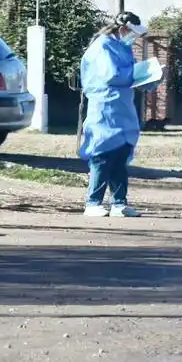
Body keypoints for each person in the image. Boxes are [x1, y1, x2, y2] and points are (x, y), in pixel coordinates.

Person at [79, 11, 153, 217]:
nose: (135, 38)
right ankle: (93, 203)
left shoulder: (123, 47)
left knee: (120, 155)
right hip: (104, 109)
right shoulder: (102, 46)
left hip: (122, 108)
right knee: (102, 156)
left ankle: (119, 203)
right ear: (123, 29)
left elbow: (127, 74)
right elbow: (111, 75)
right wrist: (137, 75)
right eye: (133, 33)